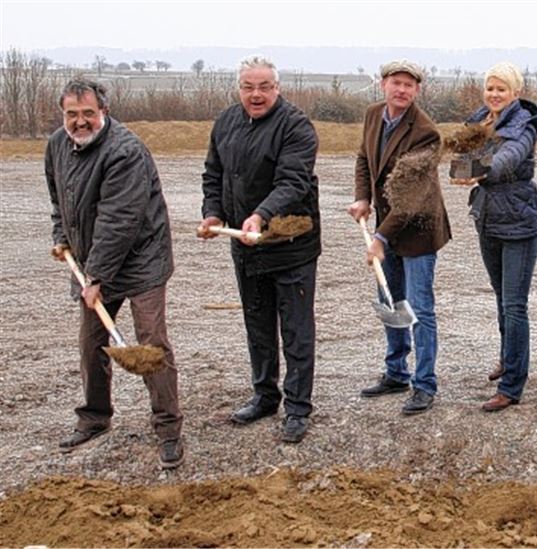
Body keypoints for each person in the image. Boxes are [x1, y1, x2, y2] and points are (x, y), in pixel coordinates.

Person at [46, 78, 184, 469]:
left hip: (141, 260)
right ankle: (94, 417)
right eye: (72, 114)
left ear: (103, 112)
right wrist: (62, 237)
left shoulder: (125, 152)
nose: (80, 121)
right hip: (93, 263)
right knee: (91, 343)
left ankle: (169, 427)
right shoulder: (57, 145)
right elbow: (61, 201)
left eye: (88, 113)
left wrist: (96, 278)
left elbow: (119, 220)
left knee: (150, 342)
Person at [198, 55, 321, 443]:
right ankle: (265, 395)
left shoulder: (296, 126)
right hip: (246, 247)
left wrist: (260, 214)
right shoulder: (226, 123)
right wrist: (213, 213)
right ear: (239, 89)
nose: (256, 94)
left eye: (264, 87)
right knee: (258, 324)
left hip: (289, 245)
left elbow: (293, 182)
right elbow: (213, 174)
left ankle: (298, 407)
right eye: (248, 87)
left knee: (296, 329)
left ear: (277, 88)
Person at [348, 60, 451, 415]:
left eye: (409, 85)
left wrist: (379, 238)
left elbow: (410, 198)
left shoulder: (426, 132)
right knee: (390, 301)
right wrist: (363, 197)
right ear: (383, 85)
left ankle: (424, 384)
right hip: (385, 225)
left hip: (418, 230)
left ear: (417, 90)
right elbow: (364, 158)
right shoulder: (373, 115)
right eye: (396, 83)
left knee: (418, 308)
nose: (402, 90)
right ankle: (396, 372)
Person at [451, 62, 537, 413]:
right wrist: (465, 170)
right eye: (490, 87)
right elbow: (459, 163)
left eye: (501, 89)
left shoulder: (524, 126)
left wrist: (481, 169)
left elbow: (509, 157)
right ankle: (509, 358)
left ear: (515, 93)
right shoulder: (478, 121)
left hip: (519, 221)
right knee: (501, 296)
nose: (494, 94)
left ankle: (512, 386)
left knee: (514, 305)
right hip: (487, 219)